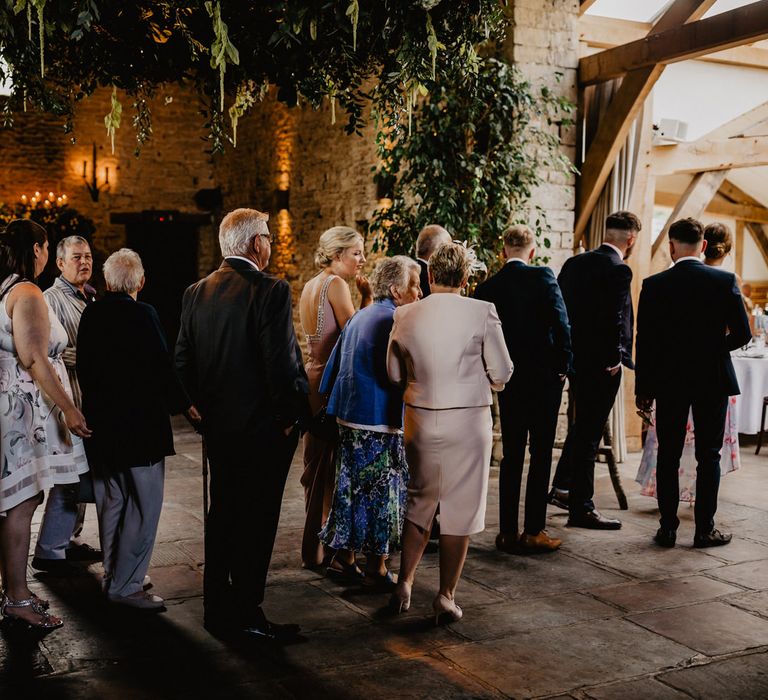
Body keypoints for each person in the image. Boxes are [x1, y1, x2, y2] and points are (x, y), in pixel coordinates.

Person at [176, 208, 309, 641]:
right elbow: (282, 364)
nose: (270, 243)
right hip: (261, 431)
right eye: (268, 236)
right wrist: (292, 417)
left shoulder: (196, 292)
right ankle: (249, 612)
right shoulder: (269, 290)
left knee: (223, 514)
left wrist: (194, 407)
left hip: (219, 428)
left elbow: (182, 361)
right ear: (256, 244)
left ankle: (217, 608)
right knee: (257, 519)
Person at [387, 242, 512, 623]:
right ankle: (445, 595)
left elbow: (392, 374)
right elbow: (503, 372)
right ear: (466, 277)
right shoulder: (482, 311)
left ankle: (404, 582)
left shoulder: (404, 314)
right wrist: (488, 382)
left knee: (419, 500)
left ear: (429, 275)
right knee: (461, 505)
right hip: (468, 421)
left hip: (420, 419)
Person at [77, 248, 198, 610]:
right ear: (141, 282)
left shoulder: (92, 313)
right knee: (144, 508)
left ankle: (116, 573)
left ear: (108, 280)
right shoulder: (143, 313)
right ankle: (126, 586)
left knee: (112, 503)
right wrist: (187, 405)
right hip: (139, 428)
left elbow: (84, 367)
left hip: (101, 426)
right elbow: (161, 367)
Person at [636, 218, 751, 549]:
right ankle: (704, 530)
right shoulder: (724, 280)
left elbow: (645, 343)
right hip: (711, 378)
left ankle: (668, 529)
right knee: (709, 455)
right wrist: (712, 348)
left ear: (672, 247)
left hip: (669, 381)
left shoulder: (654, 285)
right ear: (702, 246)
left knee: (668, 454)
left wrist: (642, 388)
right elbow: (742, 334)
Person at [0, 219, 91, 632]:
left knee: (16, 502)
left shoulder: (4, 287)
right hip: (22, 413)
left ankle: (12, 588)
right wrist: (70, 409)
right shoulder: (27, 291)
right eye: (45, 247)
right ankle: (17, 599)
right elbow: (35, 357)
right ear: (37, 249)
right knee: (22, 502)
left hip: (12, 405)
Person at [318, 256, 421, 588]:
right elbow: (403, 374)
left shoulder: (361, 315)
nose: (419, 292)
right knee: (383, 493)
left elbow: (334, 368)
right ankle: (377, 565)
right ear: (395, 289)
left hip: (348, 415)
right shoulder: (395, 320)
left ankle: (345, 558)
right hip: (378, 418)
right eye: (414, 285)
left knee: (351, 490)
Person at [475, 225, 571, 554]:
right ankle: (533, 531)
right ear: (532, 251)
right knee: (541, 452)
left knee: (512, 453)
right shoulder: (543, 277)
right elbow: (562, 324)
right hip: (544, 378)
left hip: (509, 381)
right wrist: (563, 367)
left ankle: (505, 533)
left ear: (504, 251)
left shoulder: (488, 287)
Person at [549, 211, 639, 530]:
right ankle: (581, 507)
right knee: (589, 432)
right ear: (630, 239)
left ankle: (561, 487)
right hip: (603, 365)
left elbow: (559, 311)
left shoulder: (575, 264)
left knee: (583, 425)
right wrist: (615, 358)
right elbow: (614, 318)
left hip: (575, 361)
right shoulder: (619, 269)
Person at [299, 226, 371, 573]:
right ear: (338, 254)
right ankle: (334, 548)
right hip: (331, 382)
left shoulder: (311, 285)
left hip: (313, 377)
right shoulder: (338, 285)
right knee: (334, 467)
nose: (362, 259)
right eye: (357, 252)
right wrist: (369, 298)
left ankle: (318, 545)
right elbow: (357, 334)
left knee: (319, 465)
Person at [32, 236, 101, 574]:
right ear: (59, 263)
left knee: (82, 472)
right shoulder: (51, 300)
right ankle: (49, 550)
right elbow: (40, 352)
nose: (84, 262)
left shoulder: (89, 295)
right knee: (69, 477)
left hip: (89, 398)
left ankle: (67, 539)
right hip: (66, 398)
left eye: (88, 256)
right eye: (76, 257)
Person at [415, 225, 452, 297]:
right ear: (439, 249)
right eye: (448, 249)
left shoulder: (406, 273)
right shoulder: (434, 281)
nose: (450, 255)